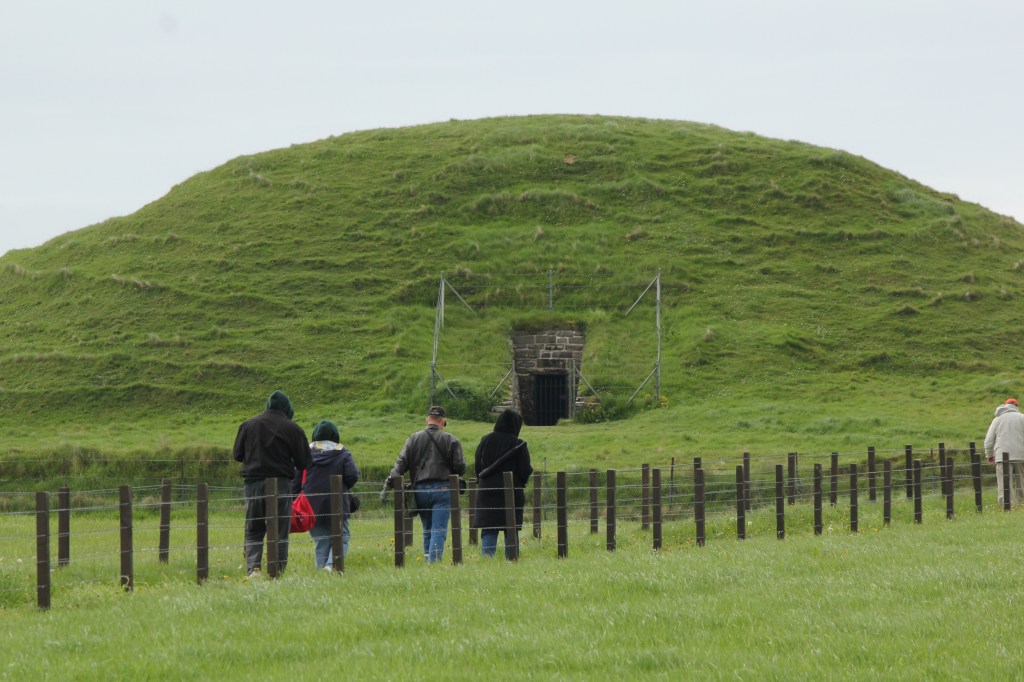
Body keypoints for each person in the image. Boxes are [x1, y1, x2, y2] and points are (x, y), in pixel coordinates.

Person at [233, 390, 311, 577]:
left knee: (254, 529)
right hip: (280, 484)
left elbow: (237, 455)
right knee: (279, 531)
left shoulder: (248, 425)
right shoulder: (292, 429)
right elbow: (304, 462)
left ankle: (253, 570)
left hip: (253, 484)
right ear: (286, 409)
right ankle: (276, 572)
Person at [380, 406, 466, 563]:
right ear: (444, 422)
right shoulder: (451, 439)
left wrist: (388, 486)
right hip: (443, 489)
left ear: (427, 420)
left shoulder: (413, 438)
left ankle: (428, 560)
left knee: (427, 528)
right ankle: (433, 562)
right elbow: (460, 467)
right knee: (438, 529)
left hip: (419, 491)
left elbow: (400, 465)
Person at [291, 419, 359, 570]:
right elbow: (353, 475)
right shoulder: (343, 453)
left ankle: (323, 570)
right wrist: (343, 486)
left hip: (311, 505)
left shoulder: (306, 453)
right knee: (342, 536)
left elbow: (295, 481)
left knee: (321, 540)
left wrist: (295, 499)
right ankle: (331, 567)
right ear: (335, 435)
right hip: (338, 503)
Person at [472, 409, 532, 559]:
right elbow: (525, 470)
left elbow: (478, 466)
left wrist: (482, 481)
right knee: (511, 528)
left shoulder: (485, 440)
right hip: (511, 490)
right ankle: (512, 559)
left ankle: (487, 560)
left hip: (487, 490)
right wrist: (520, 481)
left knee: (488, 529)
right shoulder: (518, 444)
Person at [984, 397, 1024, 506]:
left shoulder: (997, 419)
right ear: (1016, 406)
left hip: (1002, 456)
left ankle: (1006, 507)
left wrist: (989, 455)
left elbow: (989, 440)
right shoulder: (1022, 418)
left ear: (1005, 405)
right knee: (1021, 483)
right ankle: (1022, 506)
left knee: (1004, 484)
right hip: (1021, 455)